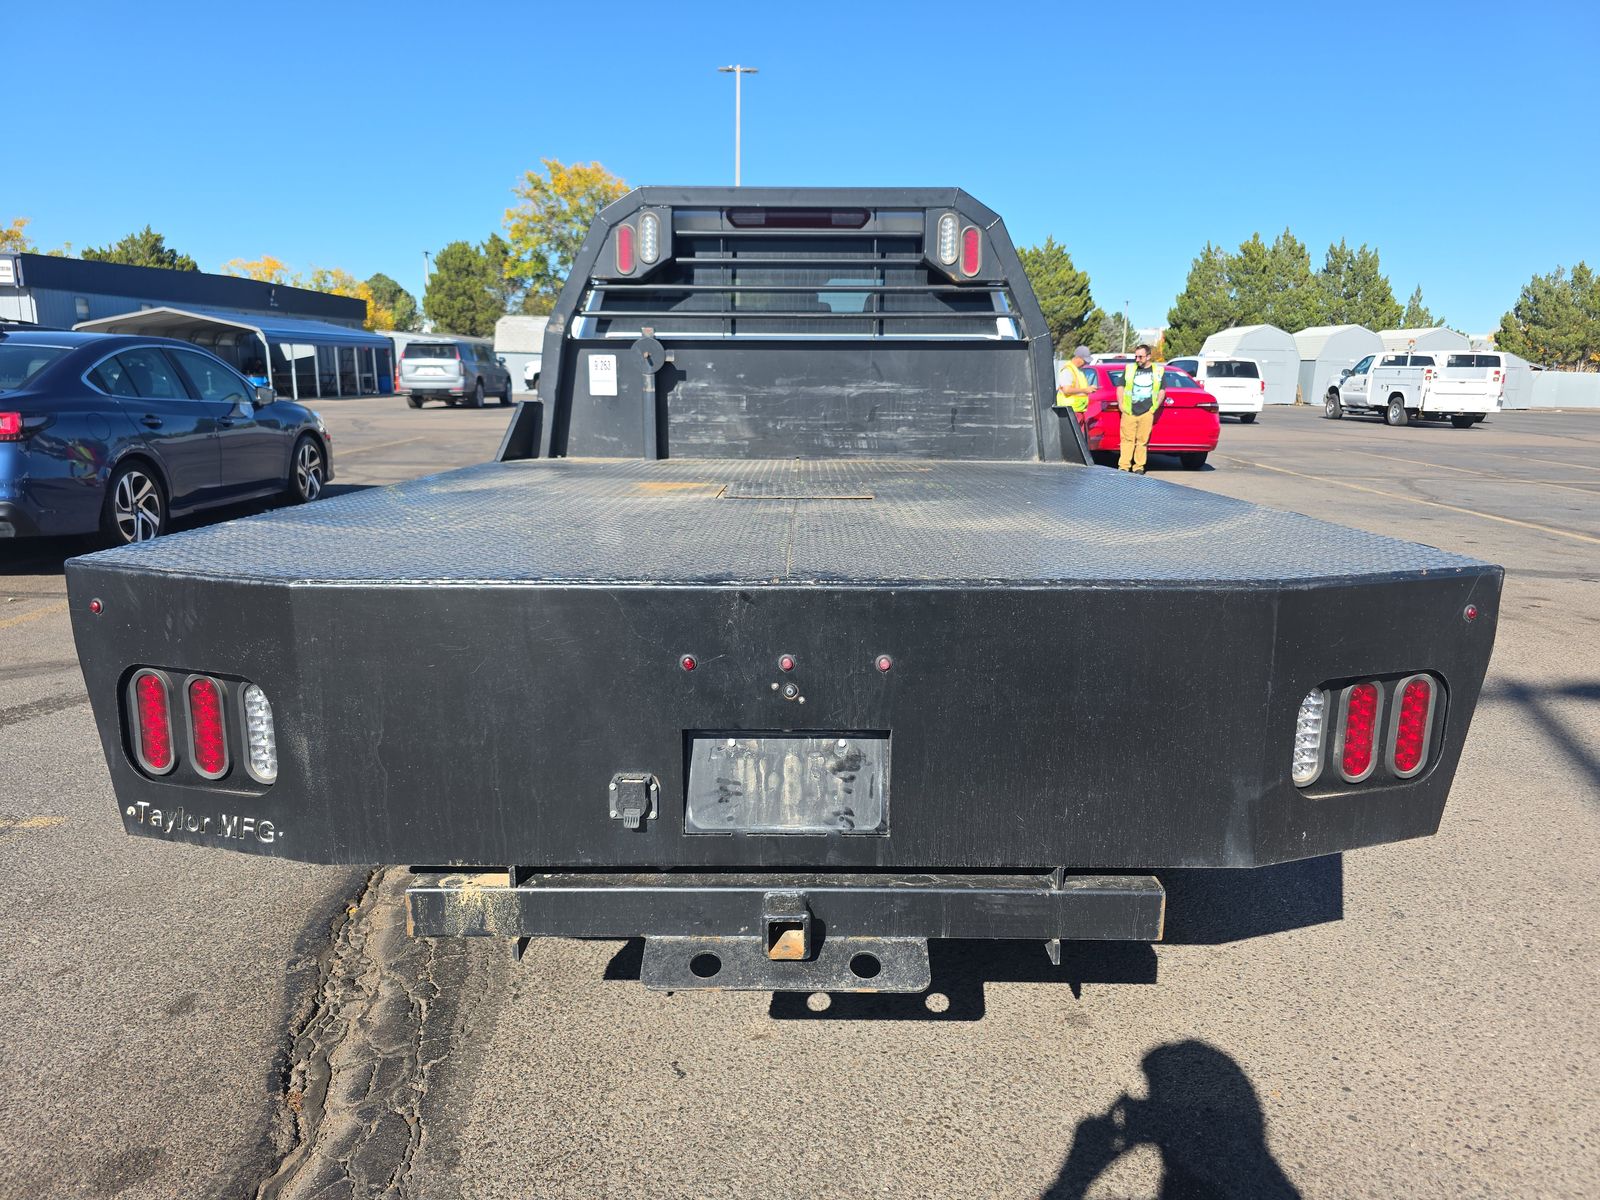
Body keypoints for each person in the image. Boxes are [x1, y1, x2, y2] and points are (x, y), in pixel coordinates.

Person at [1117, 343, 1164, 474]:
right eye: (1136, 357)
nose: (1137, 359)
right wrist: (1121, 404)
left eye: (1140, 357)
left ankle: (1138, 467)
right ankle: (1124, 466)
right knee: (1127, 440)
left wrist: (1154, 408)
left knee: (1142, 441)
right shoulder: (1130, 369)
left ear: (1148, 356)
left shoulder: (1158, 371)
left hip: (1147, 412)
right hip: (1129, 411)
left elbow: (1162, 390)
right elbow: (1120, 386)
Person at [1055, 344, 1095, 414]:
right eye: (1084, 361)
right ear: (1078, 358)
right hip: (1069, 412)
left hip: (1078, 410)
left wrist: (1089, 389)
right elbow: (1066, 390)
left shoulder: (1079, 371)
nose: (1086, 363)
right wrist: (1085, 390)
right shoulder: (1067, 370)